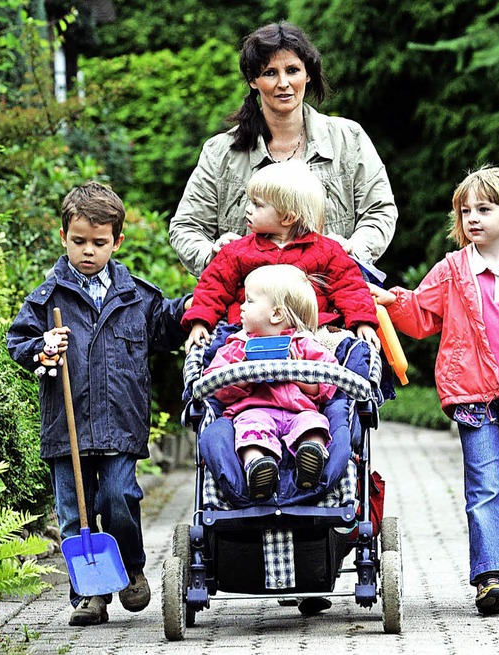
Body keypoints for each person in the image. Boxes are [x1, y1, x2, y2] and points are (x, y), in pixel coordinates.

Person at [370, 165, 499, 615]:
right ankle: (490, 579)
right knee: (485, 487)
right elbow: (422, 315)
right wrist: (394, 301)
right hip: (472, 396)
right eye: (465, 211)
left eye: (484, 209)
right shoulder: (452, 271)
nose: (473, 219)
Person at [6, 182, 192, 627]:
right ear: (63, 237)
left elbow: (171, 324)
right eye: (79, 241)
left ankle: (130, 568)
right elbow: (19, 342)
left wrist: (202, 306)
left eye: (99, 242)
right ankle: (89, 594)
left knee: (118, 495)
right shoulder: (46, 298)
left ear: (117, 241)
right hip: (65, 429)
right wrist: (42, 346)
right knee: (75, 514)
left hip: (120, 426)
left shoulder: (137, 297)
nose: (88, 251)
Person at [169, 20, 398, 279]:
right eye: (269, 73)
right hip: (246, 305)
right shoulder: (220, 153)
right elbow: (186, 227)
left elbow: (380, 210)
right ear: (253, 80)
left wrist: (354, 249)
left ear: (308, 74)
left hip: (333, 298)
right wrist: (213, 255)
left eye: (292, 70)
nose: (283, 83)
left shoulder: (349, 139)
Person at [181, 158, 380, 350]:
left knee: (353, 352)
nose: (248, 210)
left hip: (313, 332)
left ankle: (334, 384)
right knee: (212, 352)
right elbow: (213, 286)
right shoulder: (237, 250)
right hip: (247, 332)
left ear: (287, 217)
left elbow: (350, 288)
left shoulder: (327, 251)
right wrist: (200, 322)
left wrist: (363, 322)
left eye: (257, 204)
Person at [203, 264, 339, 500]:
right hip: (255, 409)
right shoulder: (237, 346)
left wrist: (298, 375)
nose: (241, 307)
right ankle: (258, 467)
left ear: (276, 314)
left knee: (315, 423)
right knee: (250, 430)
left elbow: (329, 383)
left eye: (249, 301)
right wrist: (242, 377)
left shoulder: (303, 345)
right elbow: (214, 383)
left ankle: (311, 456)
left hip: (299, 410)